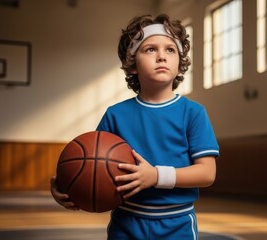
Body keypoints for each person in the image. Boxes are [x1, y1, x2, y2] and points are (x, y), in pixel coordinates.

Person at [50, 13, 219, 239]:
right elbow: (92, 164)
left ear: (180, 64)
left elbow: (207, 173)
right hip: (126, 221)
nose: (161, 56)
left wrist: (156, 176)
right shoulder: (115, 115)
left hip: (176, 222)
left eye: (170, 50)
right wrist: (67, 187)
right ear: (132, 65)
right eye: (150, 49)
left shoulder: (194, 113)